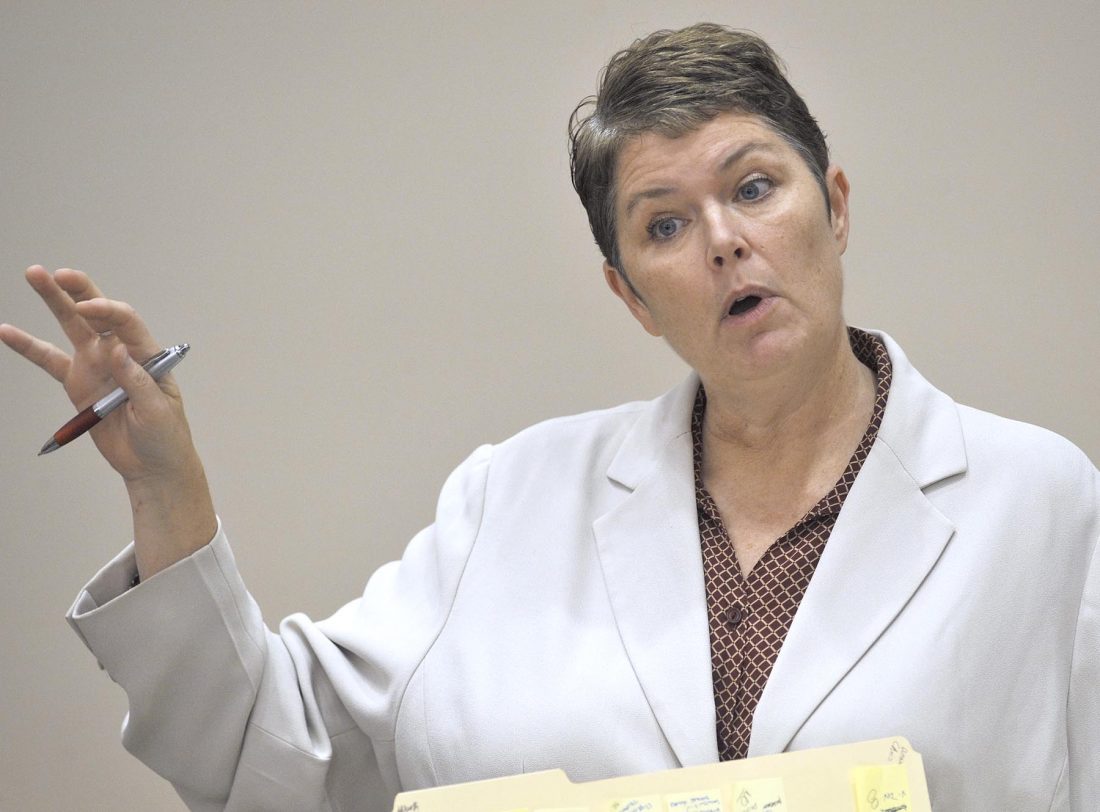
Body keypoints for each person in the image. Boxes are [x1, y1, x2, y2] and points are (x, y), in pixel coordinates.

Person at [1, 22, 1097, 812]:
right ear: (630, 295)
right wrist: (164, 482)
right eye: (664, 225)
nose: (723, 241)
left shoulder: (1042, 503)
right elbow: (275, 750)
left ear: (835, 206)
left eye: (755, 187)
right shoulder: (512, 498)